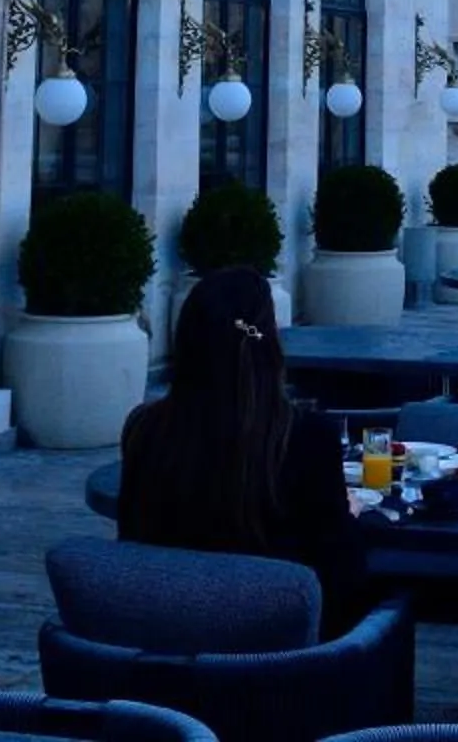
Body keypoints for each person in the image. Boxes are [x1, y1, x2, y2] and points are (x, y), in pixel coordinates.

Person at [117, 266, 366, 629]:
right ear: (271, 341)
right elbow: (342, 580)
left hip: (165, 645)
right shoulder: (306, 439)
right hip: (280, 661)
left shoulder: (146, 431)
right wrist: (346, 516)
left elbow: (133, 552)